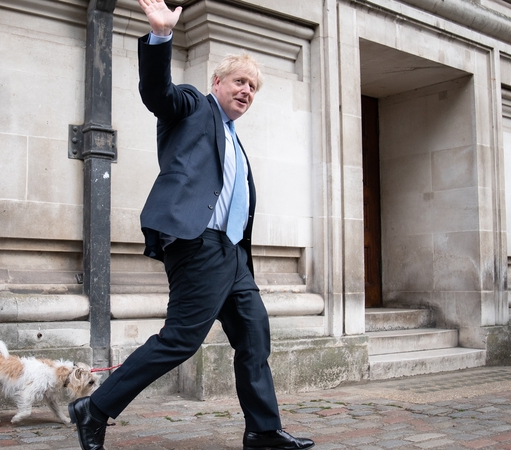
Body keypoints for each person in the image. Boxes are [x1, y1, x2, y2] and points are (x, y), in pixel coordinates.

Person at [68, 1, 315, 449]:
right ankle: (95, 408)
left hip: (234, 255)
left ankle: (262, 430)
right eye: (240, 82)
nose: (247, 92)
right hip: (199, 244)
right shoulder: (192, 108)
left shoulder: (236, 140)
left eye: (254, 88)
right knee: (180, 341)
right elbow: (157, 93)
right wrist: (161, 36)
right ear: (216, 82)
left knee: (255, 337)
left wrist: (240, 252)